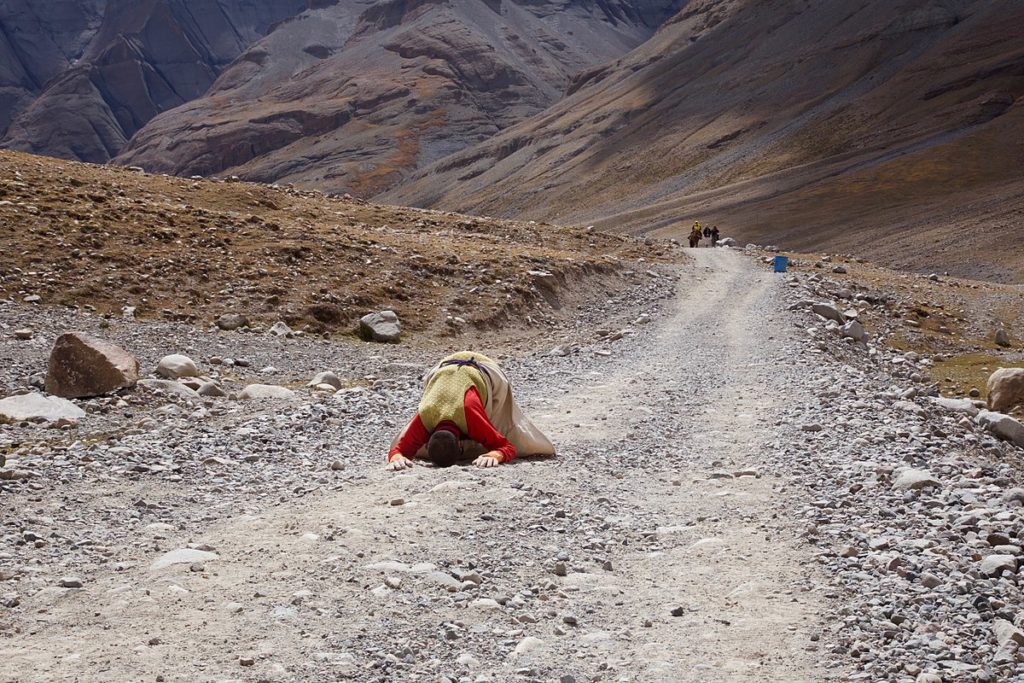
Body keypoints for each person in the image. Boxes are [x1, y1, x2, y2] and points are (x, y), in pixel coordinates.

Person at [387, 351, 555, 470]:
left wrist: (496, 454)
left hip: (484, 367)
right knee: (489, 431)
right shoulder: (426, 413)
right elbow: (397, 451)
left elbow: (507, 446)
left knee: (505, 424)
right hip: (441, 368)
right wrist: (397, 456)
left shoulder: (467, 414)